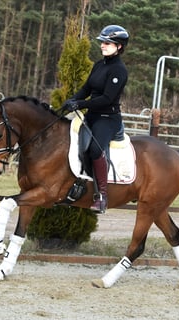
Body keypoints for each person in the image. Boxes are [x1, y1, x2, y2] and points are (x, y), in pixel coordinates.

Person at [62, 24, 129, 214]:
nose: (103, 45)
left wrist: (81, 104)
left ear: (119, 47)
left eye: (108, 43)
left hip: (108, 118)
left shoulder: (119, 70)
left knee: (94, 149)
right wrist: (73, 99)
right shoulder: (99, 65)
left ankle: (102, 196)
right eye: (102, 42)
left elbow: (106, 99)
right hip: (92, 115)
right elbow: (87, 89)